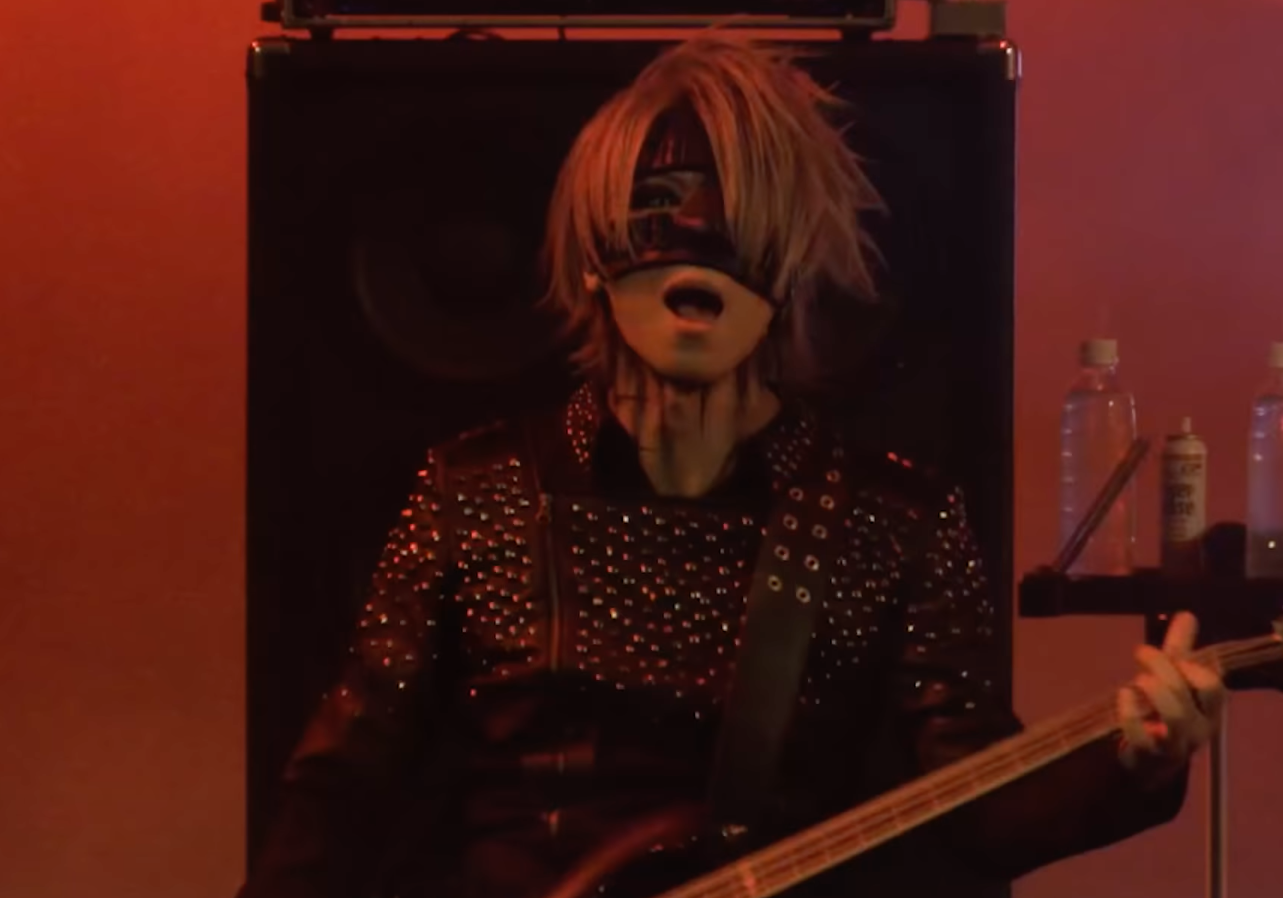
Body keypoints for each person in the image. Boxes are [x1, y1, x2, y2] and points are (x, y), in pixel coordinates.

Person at [239, 33, 1226, 898]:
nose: (695, 247)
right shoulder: (477, 490)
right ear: (594, 255)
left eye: (737, 222)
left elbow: (978, 805)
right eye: (657, 209)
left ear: (794, 264)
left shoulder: (889, 518)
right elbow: (341, 789)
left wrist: (1137, 763)